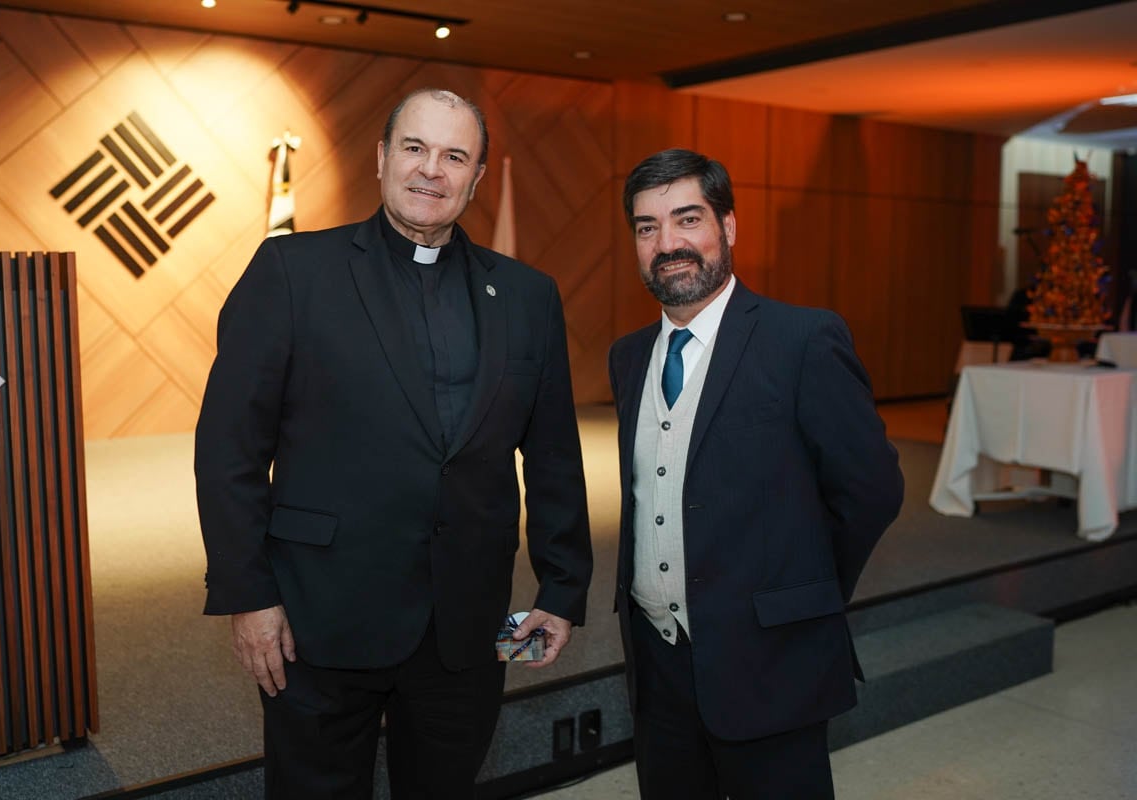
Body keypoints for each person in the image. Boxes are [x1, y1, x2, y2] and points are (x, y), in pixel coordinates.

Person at [195, 88, 592, 800]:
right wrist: (247, 596)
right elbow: (229, 450)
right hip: (317, 618)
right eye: (414, 148)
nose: (431, 170)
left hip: (465, 627)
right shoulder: (292, 272)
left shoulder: (527, 296)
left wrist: (562, 589)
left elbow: (554, 455)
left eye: (454, 156)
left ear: (476, 177)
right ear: (381, 158)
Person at [608, 148, 903, 799]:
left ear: (729, 226)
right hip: (657, 666)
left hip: (773, 661)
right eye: (648, 227)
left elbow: (871, 490)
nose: (667, 244)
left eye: (688, 219)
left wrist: (803, 593)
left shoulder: (802, 340)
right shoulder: (628, 358)